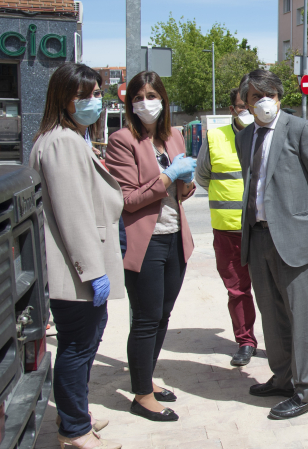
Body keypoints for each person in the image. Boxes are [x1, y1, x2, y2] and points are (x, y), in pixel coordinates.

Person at [29, 63, 124, 449]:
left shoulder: (65, 138)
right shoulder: (63, 142)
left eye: (97, 93)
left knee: (84, 342)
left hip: (77, 268)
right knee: (77, 346)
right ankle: (74, 431)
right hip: (75, 270)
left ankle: (75, 413)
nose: (93, 101)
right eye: (83, 95)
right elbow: (74, 212)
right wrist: (92, 270)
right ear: (63, 99)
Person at [234, 69, 308, 420]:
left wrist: (307, 218)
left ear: (279, 98)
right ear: (246, 103)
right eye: (255, 96)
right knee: (272, 313)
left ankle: (307, 392)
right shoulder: (245, 137)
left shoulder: (302, 129)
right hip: (258, 236)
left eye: (270, 95)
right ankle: (282, 378)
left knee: (302, 317)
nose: (263, 101)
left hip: (297, 239)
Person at [106, 71, 197, 423]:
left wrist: (185, 181)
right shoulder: (122, 140)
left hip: (175, 236)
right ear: (130, 104)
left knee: (163, 315)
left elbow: (181, 194)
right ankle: (141, 395)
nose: (146, 103)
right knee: (145, 319)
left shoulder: (173, 135)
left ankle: (147, 378)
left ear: (163, 99)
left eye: (152, 95)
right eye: (138, 97)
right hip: (145, 241)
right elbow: (128, 200)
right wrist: (168, 175)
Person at [195, 87, 258, 367]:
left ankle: (281, 343)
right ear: (232, 110)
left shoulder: (267, 135)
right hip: (228, 231)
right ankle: (245, 341)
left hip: (263, 228)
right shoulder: (215, 138)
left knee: (272, 290)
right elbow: (203, 177)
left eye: (251, 104)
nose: (248, 110)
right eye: (242, 105)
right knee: (237, 289)